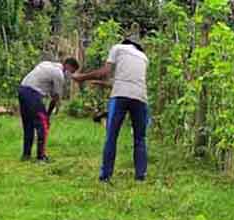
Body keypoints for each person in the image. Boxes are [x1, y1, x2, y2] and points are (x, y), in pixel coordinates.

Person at [72, 31, 149, 182]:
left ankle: (105, 176)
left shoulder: (118, 48)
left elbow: (105, 72)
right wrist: (100, 84)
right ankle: (140, 176)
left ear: (124, 42)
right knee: (140, 138)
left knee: (111, 136)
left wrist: (82, 77)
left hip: (120, 96)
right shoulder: (144, 58)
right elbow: (126, 81)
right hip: (140, 97)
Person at [18, 57, 80, 163]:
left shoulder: (46, 63)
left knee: (28, 125)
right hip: (33, 93)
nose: (70, 75)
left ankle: (26, 155)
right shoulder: (59, 74)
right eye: (72, 71)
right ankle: (41, 157)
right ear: (68, 66)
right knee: (43, 125)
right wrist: (48, 115)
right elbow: (55, 98)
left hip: (22, 90)